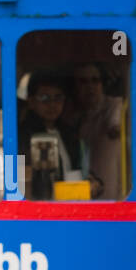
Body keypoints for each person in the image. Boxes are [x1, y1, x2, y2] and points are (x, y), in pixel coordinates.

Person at [19, 71, 88, 200]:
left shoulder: (69, 133)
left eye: (58, 98)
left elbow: (80, 169)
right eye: (44, 98)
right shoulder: (23, 136)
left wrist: (95, 182)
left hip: (72, 201)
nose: (52, 104)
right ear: (31, 101)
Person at [72, 64, 124, 200]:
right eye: (83, 82)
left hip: (112, 197)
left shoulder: (115, 106)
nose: (90, 87)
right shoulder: (69, 114)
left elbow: (115, 127)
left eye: (95, 80)